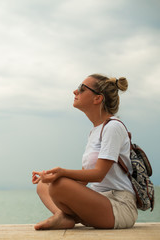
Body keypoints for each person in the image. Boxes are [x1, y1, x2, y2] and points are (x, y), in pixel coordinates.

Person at [32, 74, 137, 230]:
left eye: (81, 89)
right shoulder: (95, 131)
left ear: (97, 99)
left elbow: (98, 174)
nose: (75, 91)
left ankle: (63, 216)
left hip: (118, 206)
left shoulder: (113, 127)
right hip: (98, 200)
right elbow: (84, 179)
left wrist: (62, 173)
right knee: (43, 185)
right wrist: (50, 176)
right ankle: (62, 216)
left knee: (59, 185)